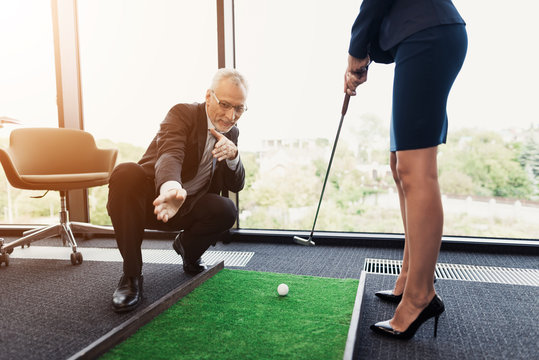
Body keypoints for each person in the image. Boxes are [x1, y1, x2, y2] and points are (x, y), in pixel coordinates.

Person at [345, 0, 467, 339]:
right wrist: (365, 53)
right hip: (426, 35)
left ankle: (420, 296)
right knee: (400, 165)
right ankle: (408, 278)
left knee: (417, 169)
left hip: (427, 34)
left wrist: (356, 51)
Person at [107, 68, 248, 312]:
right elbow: (170, 153)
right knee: (125, 173)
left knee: (227, 209)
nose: (230, 115)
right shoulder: (182, 114)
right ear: (208, 96)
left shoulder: (231, 133)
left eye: (239, 108)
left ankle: (187, 248)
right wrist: (171, 188)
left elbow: (236, 185)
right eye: (225, 104)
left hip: (190, 206)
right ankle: (131, 276)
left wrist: (234, 155)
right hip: (157, 202)